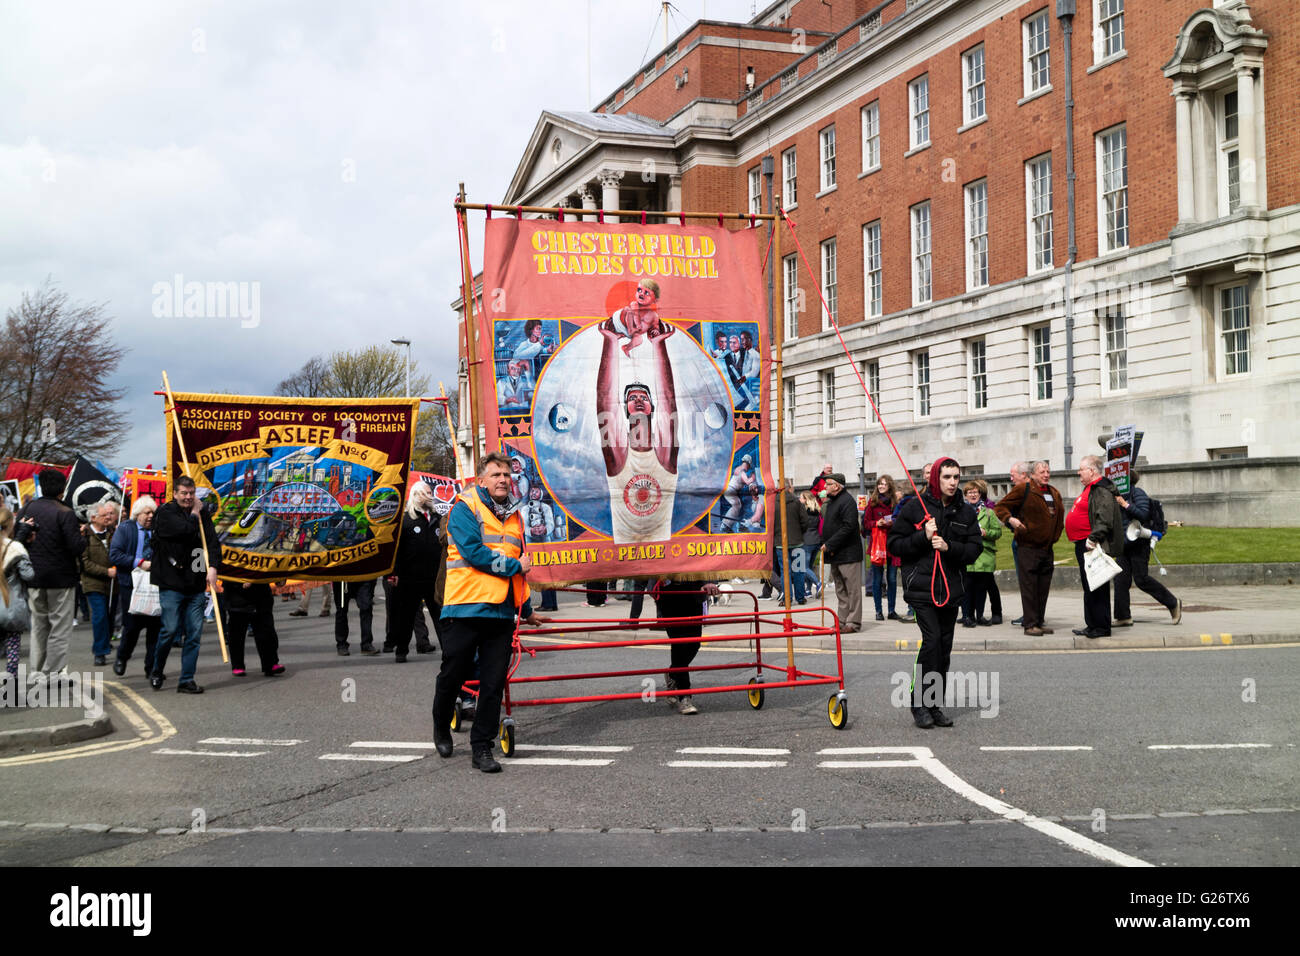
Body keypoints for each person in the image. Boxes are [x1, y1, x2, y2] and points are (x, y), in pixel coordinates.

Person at [432, 452, 548, 773]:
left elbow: (519, 573)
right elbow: (474, 553)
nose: (502, 480)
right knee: (453, 674)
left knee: (493, 683)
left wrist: (525, 610)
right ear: (481, 480)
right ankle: (441, 725)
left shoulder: (514, 516)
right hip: (464, 608)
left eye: (506, 476)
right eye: (495, 475)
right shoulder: (465, 507)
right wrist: (515, 565)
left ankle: (481, 748)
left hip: (500, 615)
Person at [888, 458, 982, 729]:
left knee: (944, 648)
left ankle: (933, 704)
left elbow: (975, 548)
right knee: (931, 642)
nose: (953, 482)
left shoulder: (965, 512)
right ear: (935, 480)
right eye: (947, 477)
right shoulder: (914, 507)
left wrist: (949, 547)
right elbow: (895, 544)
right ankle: (918, 703)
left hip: (951, 588)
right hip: (921, 588)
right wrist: (923, 537)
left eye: (956, 477)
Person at [597, 312, 678, 545]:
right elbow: (604, 403)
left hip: (662, 552)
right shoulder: (619, 457)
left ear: (652, 406)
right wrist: (610, 341)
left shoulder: (664, 454)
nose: (639, 399)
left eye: (644, 396)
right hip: (624, 555)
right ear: (625, 408)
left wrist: (659, 345)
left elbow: (669, 400)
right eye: (632, 397)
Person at [150, 476, 220, 693]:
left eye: (191, 493)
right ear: (175, 493)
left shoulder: (202, 514)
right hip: (171, 580)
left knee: (194, 634)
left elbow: (211, 542)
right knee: (169, 631)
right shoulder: (165, 513)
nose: (188, 497)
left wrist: (213, 568)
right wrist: (196, 513)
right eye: (184, 493)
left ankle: (186, 680)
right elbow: (183, 530)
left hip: (195, 580)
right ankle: (157, 669)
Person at [16, 469, 86, 678]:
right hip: (61, 578)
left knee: (39, 626)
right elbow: (76, 547)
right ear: (62, 489)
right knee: (59, 628)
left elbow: (16, 536)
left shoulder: (26, 508)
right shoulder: (65, 512)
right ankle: (53, 673)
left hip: (34, 577)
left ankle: (37, 671)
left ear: (41, 486)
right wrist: (82, 535)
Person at [994, 460, 1064, 636]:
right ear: (1032, 474)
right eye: (1042, 472)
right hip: (1028, 546)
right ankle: (1030, 624)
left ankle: (1038, 621)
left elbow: (1058, 515)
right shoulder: (1024, 489)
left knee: (1043, 587)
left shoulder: (1053, 492)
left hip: (1047, 548)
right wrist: (1010, 519)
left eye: (1048, 471)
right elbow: (1000, 507)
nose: (1046, 475)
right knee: (1029, 587)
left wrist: (1056, 534)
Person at [1065, 455, 1123, 639]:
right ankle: (1092, 624)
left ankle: (1101, 626)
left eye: (1081, 469)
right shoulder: (1090, 488)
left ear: (1092, 470)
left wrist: (1093, 538)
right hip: (1083, 543)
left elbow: (1104, 518)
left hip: (1091, 543)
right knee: (1089, 585)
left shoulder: (1101, 490)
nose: (1078, 472)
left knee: (1097, 585)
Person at [1113, 471, 1182, 626]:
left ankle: (1173, 603)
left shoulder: (1138, 493)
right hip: (1124, 543)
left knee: (1141, 579)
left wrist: (1125, 504)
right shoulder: (1117, 496)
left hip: (1139, 543)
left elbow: (1143, 514)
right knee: (1120, 580)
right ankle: (1123, 616)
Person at [387, 482, 443, 663]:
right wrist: (393, 573)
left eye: (430, 492)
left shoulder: (438, 518)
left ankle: (449, 650)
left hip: (433, 578)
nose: (430, 496)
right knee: (407, 616)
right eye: (426, 493)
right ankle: (401, 650)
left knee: (441, 616)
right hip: (410, 578)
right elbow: (396, 551)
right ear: (417, 495)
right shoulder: (406, 520)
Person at [110, 496, 161, 677]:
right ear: (137, 514)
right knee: (132, 626)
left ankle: (152, 668)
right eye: (147, 513)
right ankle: (122, 657)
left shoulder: (158, 530)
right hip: (131, 585)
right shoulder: (126, 529)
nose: (150, 516)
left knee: (155, 628)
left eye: (153, 513)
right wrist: (138, 562)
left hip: (155, 584)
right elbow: (115, 555)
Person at [655, 578, 721, 715]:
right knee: (679, 644)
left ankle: (673, 673)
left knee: (694, 643)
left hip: (693, 592)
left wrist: (709, 582)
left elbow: (705, 559)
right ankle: (685, 697)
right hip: (669, 595)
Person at [819, 472, 864, 632]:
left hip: (848, 554)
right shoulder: (832, 501)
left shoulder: (847, 501)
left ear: (836, 486)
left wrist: (830, 543)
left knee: (852, 590)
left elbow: (849, 527)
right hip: (836, 554)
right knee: (840, 589)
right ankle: (842, 621)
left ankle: (853, 622)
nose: (825, 487)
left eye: (828, 484)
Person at [1, 507, 37, 684]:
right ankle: (9, 688)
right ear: (10, 525)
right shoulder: (15, 548)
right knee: (13, 648)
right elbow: (28, 575)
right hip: (10, 605)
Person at [960, 480, 1002, 627]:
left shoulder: (989, 513)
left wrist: (986, 533)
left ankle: (980, 616)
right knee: (968, 589)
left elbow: (998, 532)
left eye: (975, 492)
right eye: (969, 492)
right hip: (968, 556)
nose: (973, 495)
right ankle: (968, 616)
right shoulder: (961, 512)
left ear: (980, 494)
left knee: (981, 590)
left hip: (985, 556)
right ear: (965, 495)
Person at [80, 502, 118, 666]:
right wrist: (106, 571)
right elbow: (84, 562)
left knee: (110, 617)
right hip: (93, 583)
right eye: (104, 515)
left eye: (110, 514)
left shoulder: (113, 532)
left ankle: (105, 640)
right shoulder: (84, 535)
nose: (108, 517)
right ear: (93, 518)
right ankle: (100, 652)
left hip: (113, 584)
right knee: (100, 615)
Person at [222, 580, 283, 677]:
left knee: (266, 629)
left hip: (261, 591)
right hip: (236, 592)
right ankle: (237, 665)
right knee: (237, 631)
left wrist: (279, 577)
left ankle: (270, 663)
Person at [863, 474, 902, 621]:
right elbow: (865, 523)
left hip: (892, 544)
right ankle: (878, 611)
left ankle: (891, 610)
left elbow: (901, 520)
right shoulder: (872, 503)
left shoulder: (895, 503)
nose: (881, 486)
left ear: (889, 486)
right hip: (877, 545)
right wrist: (876, 524)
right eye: (879, 484)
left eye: (884, 484)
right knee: (877, 579)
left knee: (892, 579)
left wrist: (892, 523)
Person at [1005, 461, 1030, 625]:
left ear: (1023, 474)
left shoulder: (1028, 492)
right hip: (1020, 540)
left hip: (1027, 543)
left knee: (1028, 580)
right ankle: (1030, 614)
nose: (1011, 478)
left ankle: (1031, 616)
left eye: (1013, 474)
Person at [332, 577, 379, 656]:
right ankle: (341, 644)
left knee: (366, 608)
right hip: (342, 580)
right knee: (341, 611)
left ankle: (366, 644)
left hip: (363, 577)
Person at [719, 455, 757, 532]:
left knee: (739, 505)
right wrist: (753, 477)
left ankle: (733, 525)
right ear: (748, 463)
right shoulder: (742, 471)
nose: (749, 468)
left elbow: (745, 482)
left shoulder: (740, 470)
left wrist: (751, 485)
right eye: (749, 466)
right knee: (737, 505)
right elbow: (747, 481)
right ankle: (725, 525)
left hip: (732, 491)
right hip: (731, 490)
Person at [797, 490, 823, 598]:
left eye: (801, 498)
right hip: (816, 540)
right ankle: (808, 590)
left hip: (807, 541)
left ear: (806, 500)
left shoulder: (803, 511)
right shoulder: (817, 510)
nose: (799, 500)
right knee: (809, 567)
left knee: (803, 567)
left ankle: (818, 583)